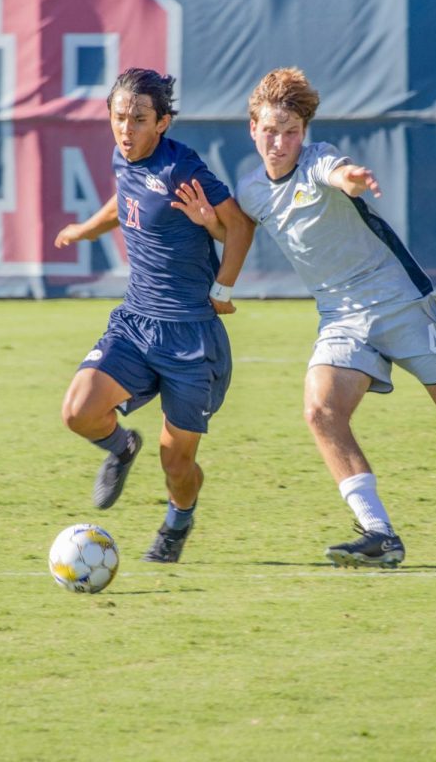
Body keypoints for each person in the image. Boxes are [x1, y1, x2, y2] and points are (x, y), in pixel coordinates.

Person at [174, 66, 436, 569]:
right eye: (269, 131)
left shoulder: (319, 161)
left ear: (305, 133)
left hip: (401, 303)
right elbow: (243, 229)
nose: (279, 142)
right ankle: (378, 532)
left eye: (290, 132)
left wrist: (352, 178)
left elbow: (335, 171)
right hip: (340, 317)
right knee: (321, 412)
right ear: (252, 128)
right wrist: (211, 224)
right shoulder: (251, 189)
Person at [54, 67, 254, 564]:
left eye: (139, 119)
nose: (126, 128)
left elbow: (240, 228)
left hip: (191, 337)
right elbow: (125, 200)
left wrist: (223, 285)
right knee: (78, 412)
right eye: (119, 117)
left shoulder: (183, 169)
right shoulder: (123, 158)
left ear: (162, 122)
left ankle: (176, 523)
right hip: (136, 323)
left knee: (177, 463)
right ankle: (122, 448)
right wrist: (86, 230)